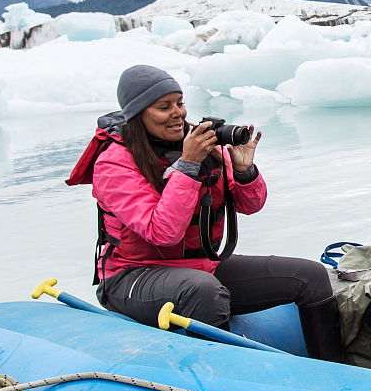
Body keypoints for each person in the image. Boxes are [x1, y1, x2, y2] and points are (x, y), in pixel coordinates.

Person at [67, 64, 345, 361]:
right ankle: (226, 389)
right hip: (133, 276)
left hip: (200, 266)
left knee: (311, 276)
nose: (178, 113)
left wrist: (244, 169)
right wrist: (188, 166)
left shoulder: (201, 144)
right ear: (138, 114)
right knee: (203, 292)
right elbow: (162, 232)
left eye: (179, 102)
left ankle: (336, 374)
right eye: (164, 107)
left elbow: (251, 205)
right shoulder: (115, 163)